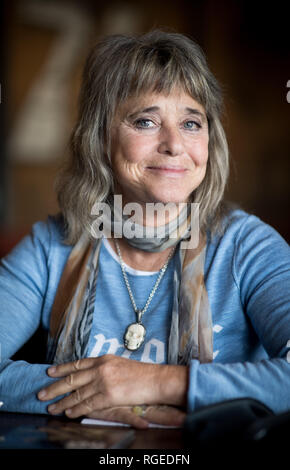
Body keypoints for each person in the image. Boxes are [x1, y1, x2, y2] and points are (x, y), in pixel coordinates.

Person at [0, 30, 289, 429]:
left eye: (191, 122)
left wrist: (157, 382)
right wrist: (89, 394)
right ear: (100, 137)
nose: (174, 144)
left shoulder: (247, 246)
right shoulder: (52, 245)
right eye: (146, 121)